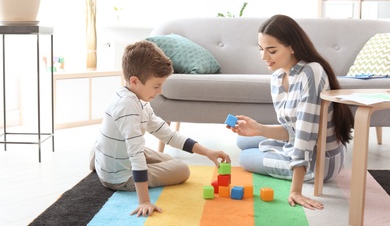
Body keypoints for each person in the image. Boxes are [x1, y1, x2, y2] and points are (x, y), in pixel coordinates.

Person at [91, 40, 231, 217]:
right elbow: (135, 155)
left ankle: (99, 160)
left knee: (166, 158)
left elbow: (167, 135)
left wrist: (207, 152)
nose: (160, 91)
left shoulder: (134, 97)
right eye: (156, 86)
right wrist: (144, 201)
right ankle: (108, 170)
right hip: (120, 178)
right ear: (135, 81)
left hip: (115, 158)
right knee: (181, 169)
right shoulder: (128, 106)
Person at [227, 14, 354, 210]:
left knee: (245, 158)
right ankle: (276, 149)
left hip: (319, 164)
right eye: (261, 49)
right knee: (242, 140)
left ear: (292, 46)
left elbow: (305, 134)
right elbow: (292, 129)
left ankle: (294, 167)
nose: (264, 57)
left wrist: (296, 190)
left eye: (272, 50)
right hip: (300, 144)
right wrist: (259, 128)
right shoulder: (277, 77)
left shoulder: (311, 72)